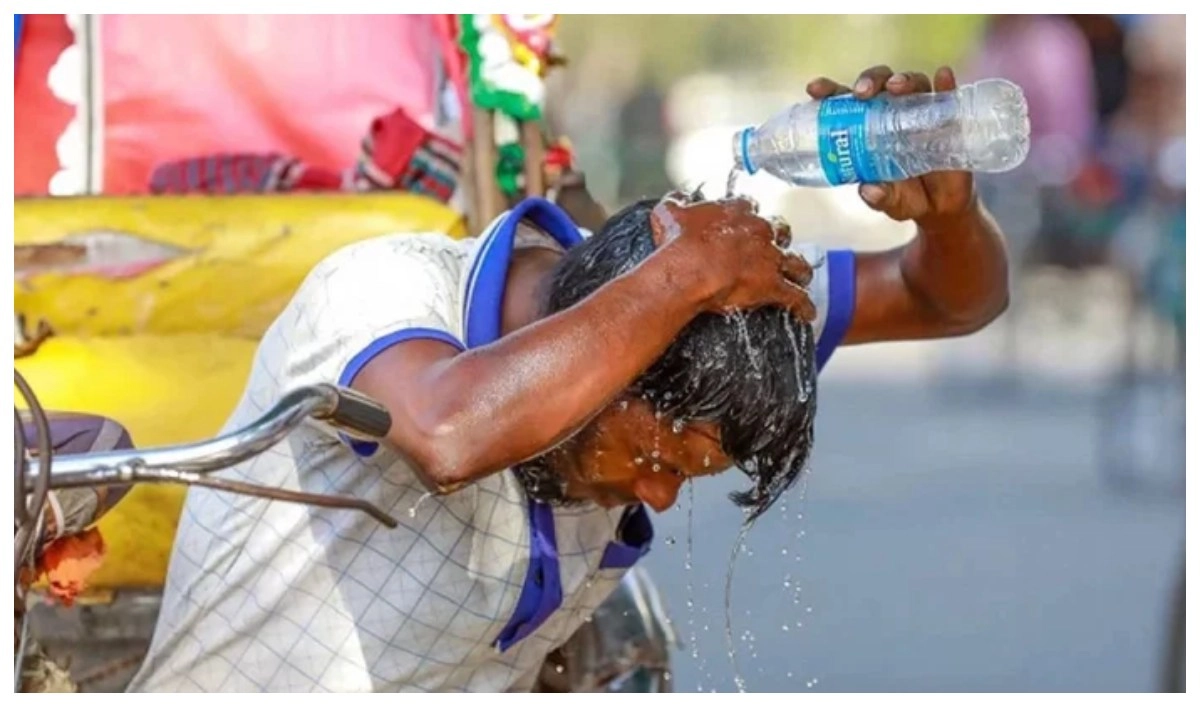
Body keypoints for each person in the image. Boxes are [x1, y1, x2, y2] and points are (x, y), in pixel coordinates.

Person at [128, 65, 1009, 693]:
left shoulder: (715, 324)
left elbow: (949, 299)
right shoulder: (380, 293)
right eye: (660, 455)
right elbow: (449, 434)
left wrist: (951, 213)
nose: (658, 496)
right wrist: (677, 279)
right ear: (621, 348)